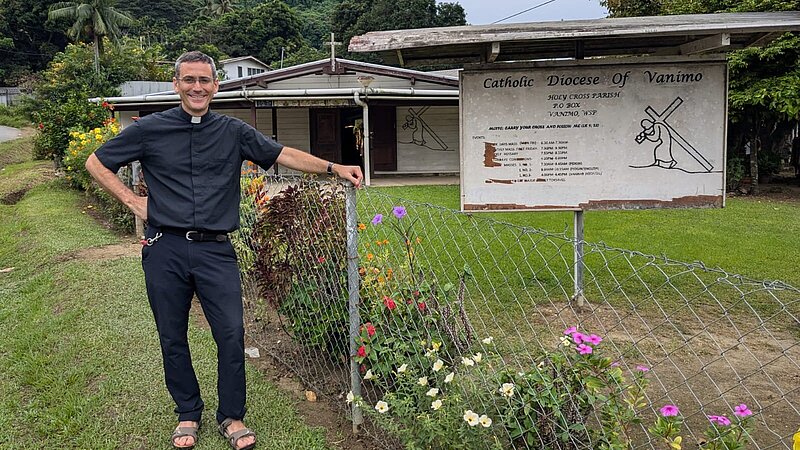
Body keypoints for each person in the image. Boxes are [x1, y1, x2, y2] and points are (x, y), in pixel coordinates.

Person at [86, 51, 363, 450]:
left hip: (216, 251)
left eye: (204, 80)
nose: (197, 87)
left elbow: (282, 153)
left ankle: (232, 415)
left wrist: (334, 168)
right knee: (172, 335)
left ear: (216, 85)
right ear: (176, 84)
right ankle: (187, 413)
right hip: (165, 249)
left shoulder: (233, 131)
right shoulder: (150, 130)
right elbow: (97, 163)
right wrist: (132, 202)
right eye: (189, 80)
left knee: (231, 334)